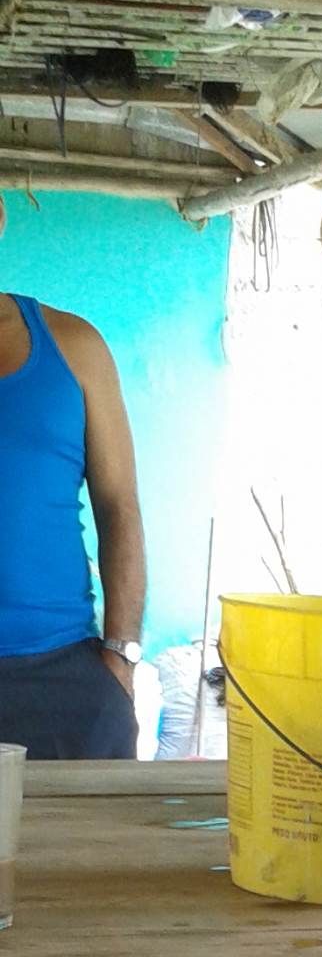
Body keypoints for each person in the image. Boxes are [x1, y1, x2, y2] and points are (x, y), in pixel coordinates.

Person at [0, 219, 145, 758]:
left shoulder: (73, 346)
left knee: (90, 844)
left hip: (66, 676)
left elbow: (119, 506)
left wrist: (120, 658)